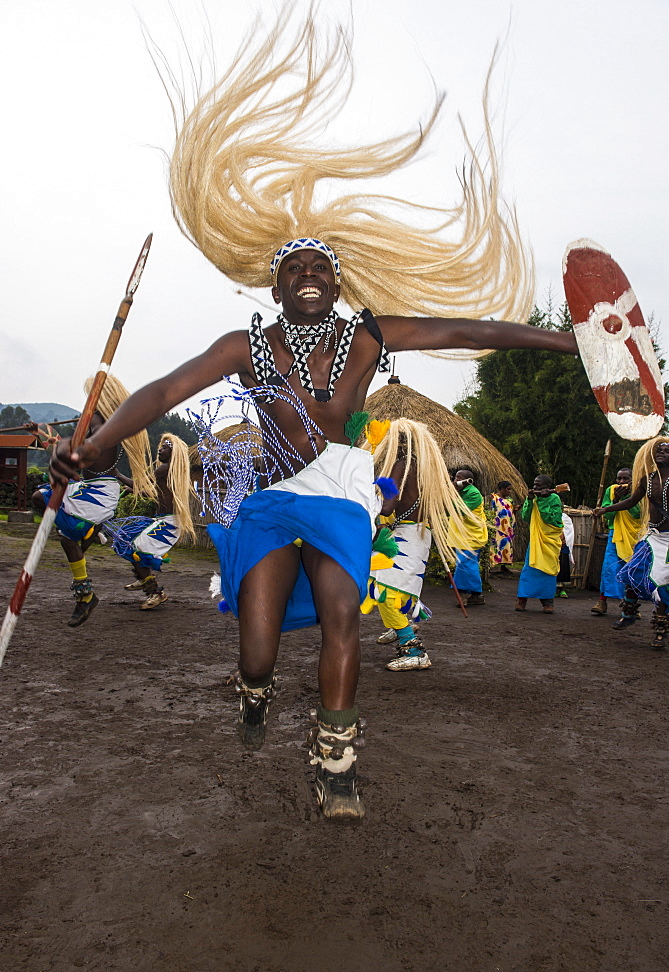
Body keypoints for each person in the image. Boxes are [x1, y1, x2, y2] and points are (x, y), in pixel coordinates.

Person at [49, 11, 582, 819]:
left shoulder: (368, 337)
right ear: (275, 287)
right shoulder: (245, 344)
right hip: (268, 499)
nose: (305, 275)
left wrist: (563, 341)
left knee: (342, 613)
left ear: (336, 284)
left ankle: (336, 759)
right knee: (258, 649)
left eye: (318, 267)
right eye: (291, 267)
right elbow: (161, 395)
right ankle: (255, 692)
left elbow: (468, 328)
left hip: (339, 492)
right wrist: (89, 447)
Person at [34, 375, 154, 626]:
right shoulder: (99, 425)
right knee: (51, 514)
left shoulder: (102, 428)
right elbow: (69, 449)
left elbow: (74, 455)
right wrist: (40, 431)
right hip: (89, 489)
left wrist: (55, 442)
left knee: (64, 531)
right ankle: (86, 541)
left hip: (97, 495)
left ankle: (86, 591)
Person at [360, 418, 471, 671]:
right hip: (419, 533)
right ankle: (399, 625)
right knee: (378, 581)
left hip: (408, 535)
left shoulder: (402, 465)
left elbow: (387, 506)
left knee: (386, 590)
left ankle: (413, 647)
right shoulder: (426, 468)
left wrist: (373, 492)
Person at [106, 434, 196, 610]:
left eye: (164, 448)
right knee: (128, 540)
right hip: (165, 521)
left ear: (173, 452)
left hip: (168, 523)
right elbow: (155, 494)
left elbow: (144, 487)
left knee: (135, 548)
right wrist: (133, 489)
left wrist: (117, 474)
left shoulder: (163, 469)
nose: (159, 451)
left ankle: (156, 593)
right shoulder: (171, 471)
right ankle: (143, 578)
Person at [594, 438, 669, 648]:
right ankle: (629, 613)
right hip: (652, 537)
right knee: (632, 572)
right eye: (658, 450)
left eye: (666, 451)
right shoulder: (647, 479)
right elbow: (632, 501)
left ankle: (661, 631)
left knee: (663, 584)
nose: (661, 453)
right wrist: (607, 509)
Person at [590, 468, 641, 615]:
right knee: (609, 568)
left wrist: (628, 499)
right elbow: (609, 516)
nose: (621, 482)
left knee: (632, 570)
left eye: (626, 479)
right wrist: (616, 500)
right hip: (615, 534)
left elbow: (638, 514)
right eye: (619, 479)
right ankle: (602, 601)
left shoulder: (640, 491)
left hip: (635, 536)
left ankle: (631, 605)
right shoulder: (611, 491)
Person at [515, 475, 563, 613]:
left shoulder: (555, 498)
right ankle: (522, 599)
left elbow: (550, 519)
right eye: (534, 485)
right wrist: (530, 500)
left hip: (549, 541)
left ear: (547, 487)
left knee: (548, 570)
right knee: (529, 570)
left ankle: (548, 602)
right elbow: (526, 517)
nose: (535, 488)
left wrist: (543, 500)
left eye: (539, 486)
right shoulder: (533, 498)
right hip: (536, 541)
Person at [450, 470, 488, 606]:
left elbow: (460, 510)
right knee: (469, 564)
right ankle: (476, 595)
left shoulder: (473, 493)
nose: (455, 480)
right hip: (463, 535)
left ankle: (464, 594)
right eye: (455, 477)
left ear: (468, 479)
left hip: (471, 535)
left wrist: (451, 493)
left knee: (465, 564)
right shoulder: (462, 491)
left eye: (458, 478)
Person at [489, 481, 516, 573]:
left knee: (506, 547)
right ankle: (492, 565)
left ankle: (504, 565)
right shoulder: (494, 498)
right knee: (495, 545)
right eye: (508, 489)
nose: (509, 491)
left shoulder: (510, 500)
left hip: (507, 528)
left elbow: (511, 512)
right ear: (501, 489)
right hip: (497, 527)